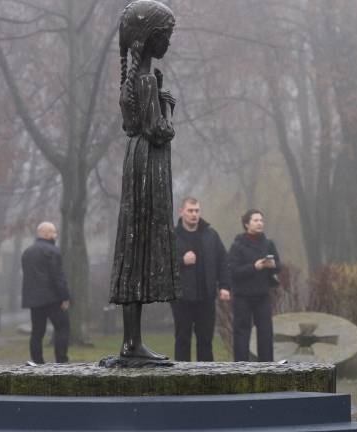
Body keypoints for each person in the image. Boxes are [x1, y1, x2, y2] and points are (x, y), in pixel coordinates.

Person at [110, 0, 179, 361]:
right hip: (149, 166)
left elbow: (131, 125)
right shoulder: (147, 80)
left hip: (134, 161)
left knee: (132, 245)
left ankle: (131, 341)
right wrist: (167, 107)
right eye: (165, 35)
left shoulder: (132, 81)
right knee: (141, 245)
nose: (168, 41)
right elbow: (158, 130)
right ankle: (133, 345)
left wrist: (158, 95)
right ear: (150, 37)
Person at [172, 197, 230, 362]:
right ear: (181, 212)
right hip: (181, 298)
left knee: (205, 341)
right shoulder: (172, 236)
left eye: (197, 211)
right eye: (190, 211)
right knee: (183, 340)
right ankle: (182, 375)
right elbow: (160, 265)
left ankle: (206, 376)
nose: (194, 214)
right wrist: (182, 261)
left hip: (206, 297)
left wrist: (224, 286)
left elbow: (223, 261)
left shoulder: (211, 235)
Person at [227, 209, 281, 362]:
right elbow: (232, 271)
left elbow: (278, 266)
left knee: (266, 333)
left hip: (262, 295)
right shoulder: (237, 246)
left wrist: (273, 265)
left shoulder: (268, 244)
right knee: (242, 334)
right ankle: (241, 368)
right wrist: (254, 267)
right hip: (242, 296)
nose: (260, 223)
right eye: (256, 220)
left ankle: (266, 368)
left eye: (261, 220)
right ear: (246, 224)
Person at [21, 222, 70, 364]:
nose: (56, 235)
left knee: (37, 332)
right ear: (46, 234)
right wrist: (65, 297)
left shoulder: (27, 253)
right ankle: (61, 361)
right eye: (54, 232)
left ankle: (37, 362)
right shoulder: (53, 251)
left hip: (34, 301)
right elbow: (58, 277)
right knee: (62, 327)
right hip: (53, 299)